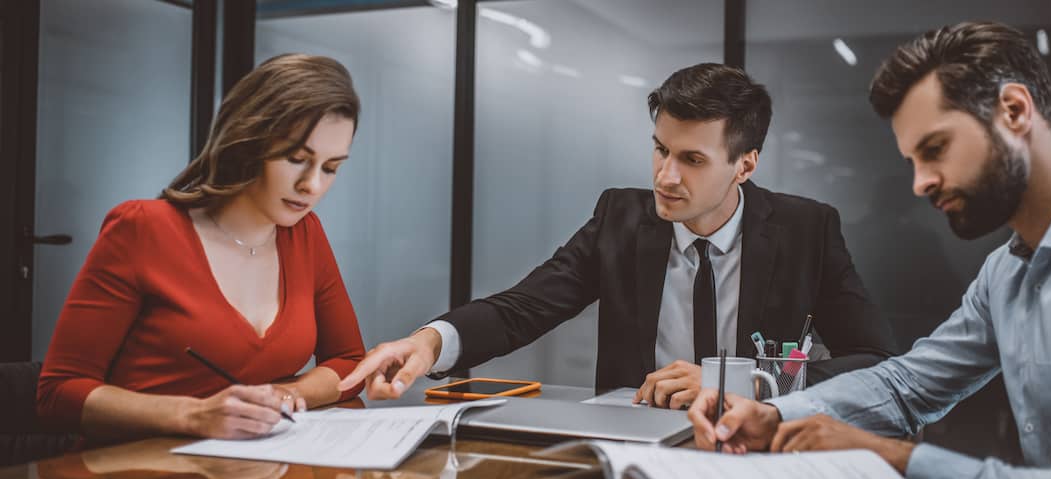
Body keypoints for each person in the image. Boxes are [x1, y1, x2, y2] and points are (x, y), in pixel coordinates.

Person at [688, 21, 1051, 479]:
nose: (920, 183)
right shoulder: (1007, 270)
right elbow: (907, 385)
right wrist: (775, 415)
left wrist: (895, 458)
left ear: (1014, 111)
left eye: (935, 150)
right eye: (913, 161)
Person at [340, 63, 897, 409]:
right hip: (635, 447)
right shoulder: (621, 219)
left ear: (745, 165)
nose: (665, 176)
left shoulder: (806, 229)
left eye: (692, 159)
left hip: (755, 453)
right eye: (661, 149)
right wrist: (431, 342)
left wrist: (749, 382)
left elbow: (872, 359)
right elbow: (523, 308)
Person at [37, 54, 367, 443]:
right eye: (297, 159)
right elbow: (58, 394)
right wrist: (194, 414)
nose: (312, 186)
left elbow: (349, 362)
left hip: (264, 473)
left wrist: (285, 395)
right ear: (249, 142)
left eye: (330, 168)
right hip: (143, 472)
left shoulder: (305, 234)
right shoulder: (143, 229)